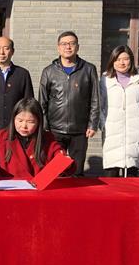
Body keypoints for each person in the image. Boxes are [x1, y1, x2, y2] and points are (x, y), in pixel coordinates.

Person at [38, 31, 99, 176]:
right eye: (64, 44)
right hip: (55, 130)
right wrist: (45, 127)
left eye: (72, 43)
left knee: (77, 171)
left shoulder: (88, 69)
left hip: (80, 129)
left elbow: (95, 98)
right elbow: (42, 101)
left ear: (78, 47)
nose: (68, 47)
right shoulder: (49, 71)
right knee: (55, 171)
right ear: (58, 47)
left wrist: (92, 124)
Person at [0, 98, 70, 181]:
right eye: (20, 120)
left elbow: (59, 154)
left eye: (30, 122)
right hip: (10, 188)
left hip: (38, 189)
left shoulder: (47, 138)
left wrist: (65, 161)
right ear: (13, 119)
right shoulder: (3, 136)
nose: (24, 126)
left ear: (38, 122)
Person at [100, 45, 139, 177]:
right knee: (111, 173)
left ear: (131, 60)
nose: (122, 63)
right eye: (118, 59)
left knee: (132, 173)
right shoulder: (105, 81)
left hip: (134, 132)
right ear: (112, 61)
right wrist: (103, 124)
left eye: (125, 59)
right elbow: (99, 105)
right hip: (112, 131)